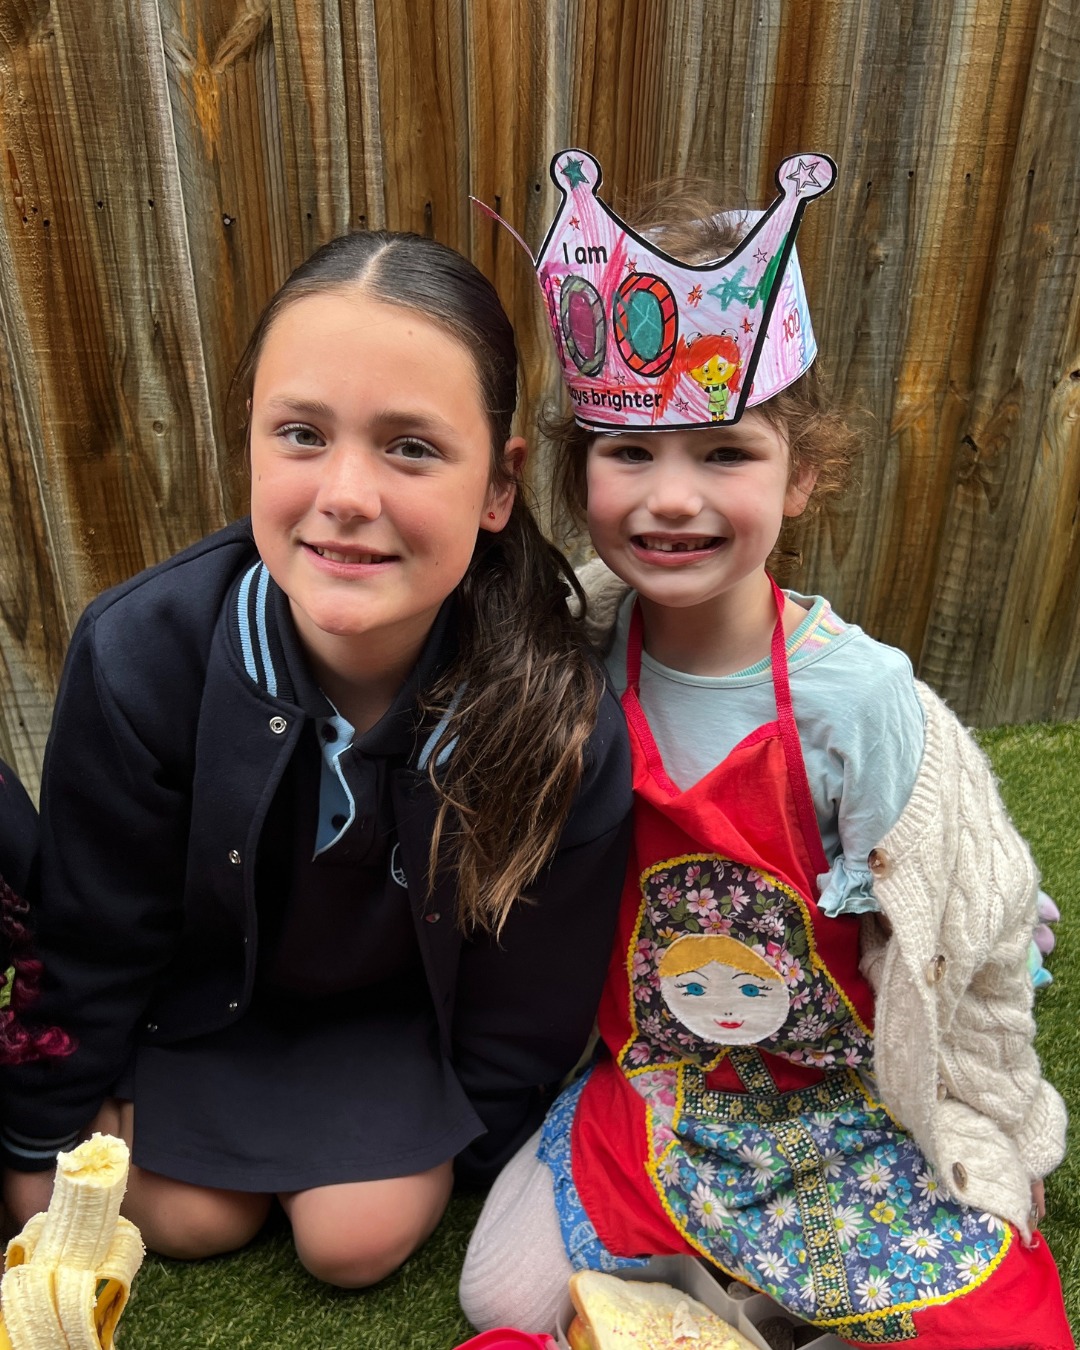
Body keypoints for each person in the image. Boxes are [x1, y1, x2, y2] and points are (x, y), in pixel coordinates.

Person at [459, 150, 1070, 1347]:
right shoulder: (572, 651)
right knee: (503, 1299)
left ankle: (757, 1296)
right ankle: (734, 1300)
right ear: (577, 469)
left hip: (843, 1109)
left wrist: (996, 1124)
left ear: (802, 477)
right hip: (667, 1095)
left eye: (725, 452)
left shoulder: (862, 702)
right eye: (630, 452)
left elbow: (979, 932)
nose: (671, 498)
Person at [0, 230, 631, 1286]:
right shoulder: (138, 653)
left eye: (411, 448)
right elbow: (92, 934)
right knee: (191, 1220)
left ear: (499, 485)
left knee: (356, 1243)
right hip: (204, 1009)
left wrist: (471, 1135)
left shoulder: (553, 713)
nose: (347, 493)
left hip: (389, 1032)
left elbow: (535, 992)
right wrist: (38, 1142)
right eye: (301, 434)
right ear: (246, 443)